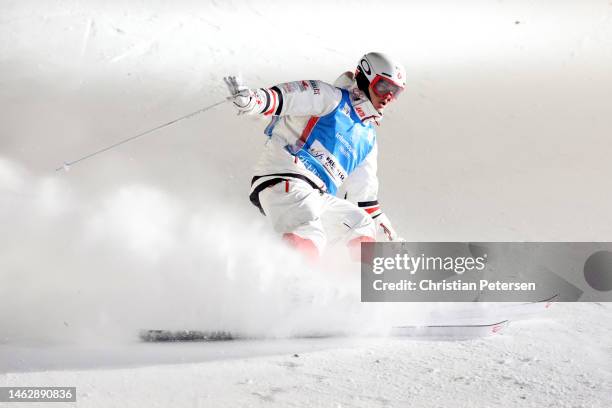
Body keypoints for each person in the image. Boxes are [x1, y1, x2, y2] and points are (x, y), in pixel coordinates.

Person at [224, 52, 405, 260]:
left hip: (317, 195)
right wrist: (252, 101)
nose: (388, 96)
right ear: (365, 77)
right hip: (286, 176)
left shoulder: (367, 139)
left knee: (361, 224)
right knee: (312, 233)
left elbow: (365, 200)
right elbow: (285, 98)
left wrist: (391, 239)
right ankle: (291, 281)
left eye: (396, 92)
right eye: (383, 86)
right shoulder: (330, 97)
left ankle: (358, 282)